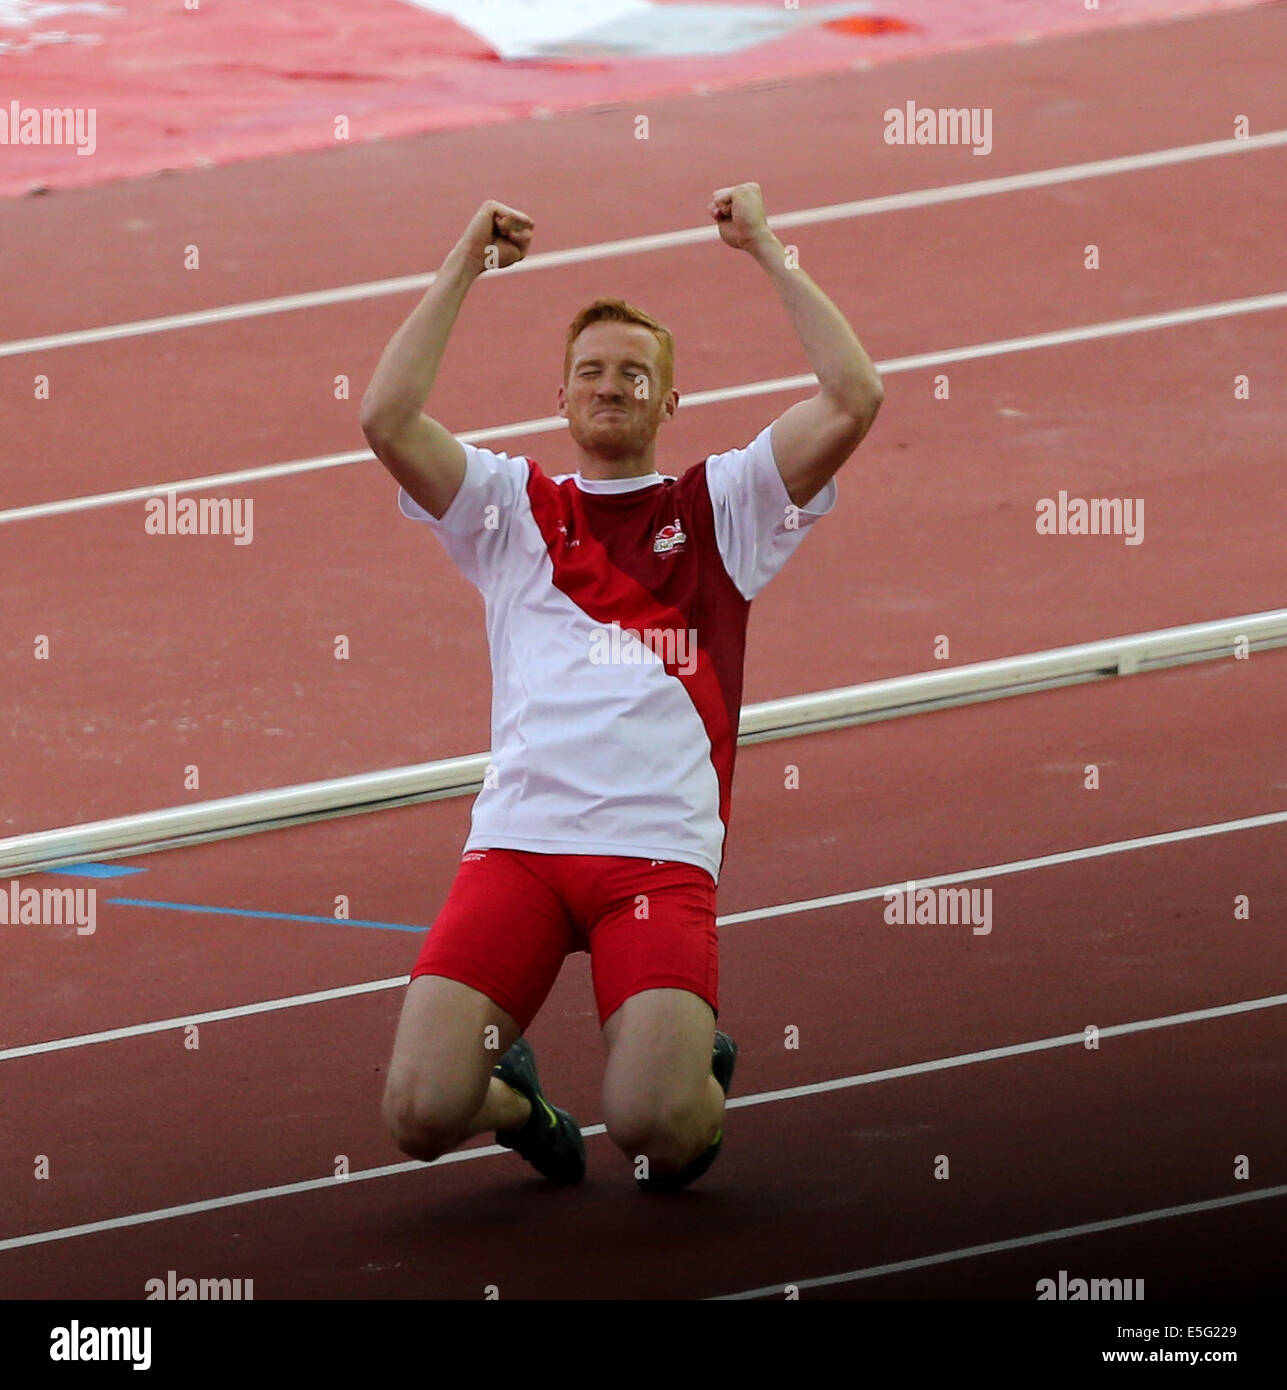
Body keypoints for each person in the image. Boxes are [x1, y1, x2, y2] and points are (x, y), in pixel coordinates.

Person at [362, 183, 883, 1192]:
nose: (611, 385)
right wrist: (463, 262)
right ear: (559, 397)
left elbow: (855, 394)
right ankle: (515, 1100)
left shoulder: (723, 506)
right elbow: (387, 417)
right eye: (590, 371)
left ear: (670, 402)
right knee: (418, 1114)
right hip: (519, 846)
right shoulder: (509, 508)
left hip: (653, 862)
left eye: (636, 374)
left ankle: (696, 1073)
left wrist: (770, 249)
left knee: (656, 1131)